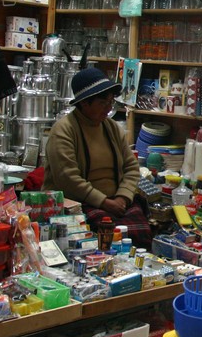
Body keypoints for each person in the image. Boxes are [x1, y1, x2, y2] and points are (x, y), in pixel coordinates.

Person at [43, 67, 152, 248]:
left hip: (116, 201)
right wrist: (105, 202)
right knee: (107, 237)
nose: (109, 108)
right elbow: (68, 179)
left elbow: (131, 168)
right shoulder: (64, 130)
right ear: (85, 103)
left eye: (111, 102)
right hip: (80, 203)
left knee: (141, 233)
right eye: (103, 103)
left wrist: (123, 198)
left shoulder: (112, 128)